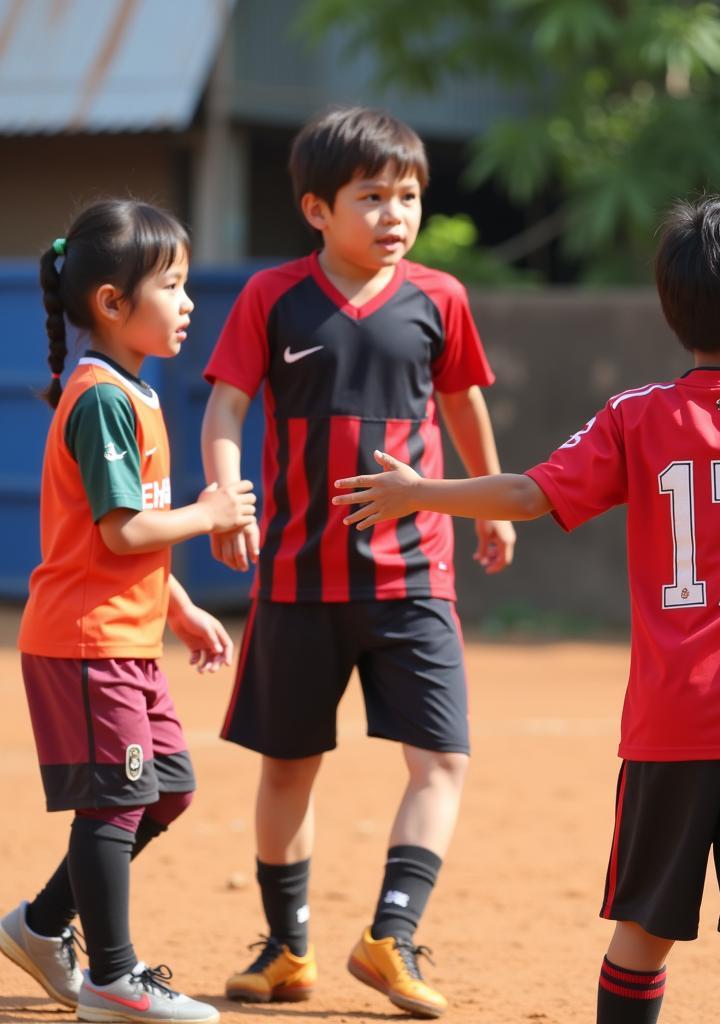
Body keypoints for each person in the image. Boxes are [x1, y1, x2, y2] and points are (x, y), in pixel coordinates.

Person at [332, 197, 720, 1024]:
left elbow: (527, 493)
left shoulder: (636, 416)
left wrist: (422, 491)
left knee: (641, 933)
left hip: (673, 722)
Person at [201, 106, 515, 1018]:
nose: (393, 214)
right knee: (288, 766)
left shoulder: (440, 298)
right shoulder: (271, 298)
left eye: (407, 196)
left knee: (442, 760)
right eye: (371, 197)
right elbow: (225, 410)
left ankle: (393, 936)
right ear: (315, 209)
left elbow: (461, 406)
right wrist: (226, 500)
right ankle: (285, 950)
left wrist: (491, 503)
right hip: (298, 576)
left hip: (415, 574)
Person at [0, 200, 258, 1024]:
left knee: (166, 789)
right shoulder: (101, 398)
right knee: (116, 801)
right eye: (173, 286)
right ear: (112, 303)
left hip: (125, 640)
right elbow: (124, 529)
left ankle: (42, 927)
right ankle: (112, 978)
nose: (187, 303)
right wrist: (214, 514)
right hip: (85, 643)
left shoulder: (132, 393)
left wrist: (176, 606)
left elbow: (124, 531)